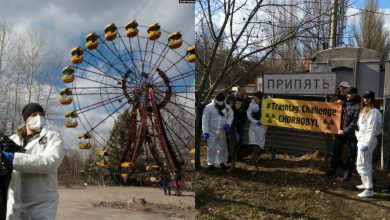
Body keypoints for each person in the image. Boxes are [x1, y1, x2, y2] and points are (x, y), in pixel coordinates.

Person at [3, 103, 65, 219]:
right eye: (34, 114)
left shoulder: (52, 137)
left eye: (41, 114)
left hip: (42, 206)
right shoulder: (12, 139)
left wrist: (13, 159)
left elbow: (50, 162)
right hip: (14, 206)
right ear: (26, 119)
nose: (39, 117)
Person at [324, 87, 360, 181]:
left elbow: (354, 122)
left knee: (351, 156)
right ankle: (332, 170)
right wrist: (337, 103)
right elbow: (335, 110)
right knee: (335, 152)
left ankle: (348, 174)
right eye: (347, 93)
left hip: (352, 135)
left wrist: (345, 130)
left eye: (350, 94)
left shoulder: (358, 105)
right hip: (341, 133)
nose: (348, 95)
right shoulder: (345, 102)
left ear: (355, 94)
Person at [355, 91, 382, 198]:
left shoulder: (374, 112)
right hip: (362, 140)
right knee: (366, 163)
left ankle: (369, 189)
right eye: (364, 97)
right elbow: (360, 126)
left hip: (367, 141)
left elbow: (371, 129)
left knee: (361, 164)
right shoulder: (365, 110)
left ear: (372, 99)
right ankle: (366, 183)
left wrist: (366, 144)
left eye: (368, 98)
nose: (366, 99)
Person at [202, 92, 234, 171]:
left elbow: (231, 116)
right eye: (219, 100)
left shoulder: (227, 107)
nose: (220, 102)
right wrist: (205, 131)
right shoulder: (209, 107)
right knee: (211, 148)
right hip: (211, 132)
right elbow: (205, 120)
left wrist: (228, 124)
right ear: (216, 99)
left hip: (222, 132)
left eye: (222, 100)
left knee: (223, 148)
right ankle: (211, 164)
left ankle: (222, 162)